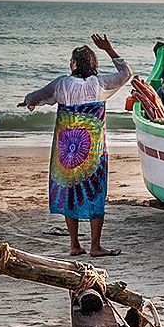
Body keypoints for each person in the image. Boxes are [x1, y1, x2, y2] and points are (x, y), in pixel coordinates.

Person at [18, 34, 131, 256]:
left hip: (67, 152)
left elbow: (37, 96)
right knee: (95, 192)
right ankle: (95, 246)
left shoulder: (62, 84)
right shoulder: (100, 84)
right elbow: (126, 74)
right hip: (93, 152)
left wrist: (28, 101)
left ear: (73, 64)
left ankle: (74, 245)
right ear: (93, 64)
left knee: (70, 192)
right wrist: (109, 49)